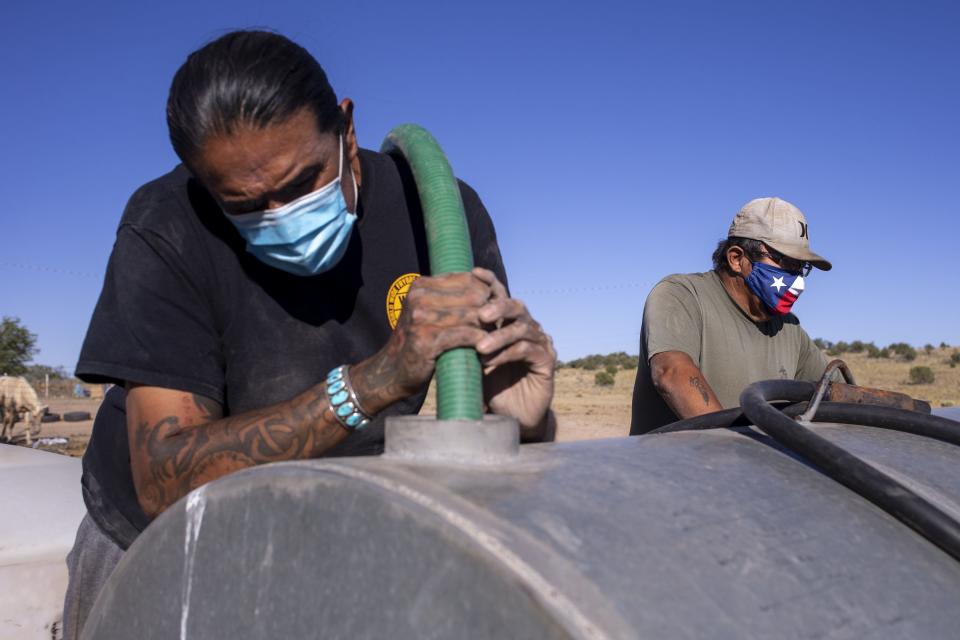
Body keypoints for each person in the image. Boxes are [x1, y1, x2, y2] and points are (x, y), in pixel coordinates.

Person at [63, 30, 556, 638]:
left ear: (347, 131)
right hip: (150, 539)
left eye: (302, 183)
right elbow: (163, 479)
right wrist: (375, 380)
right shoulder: (165, 224)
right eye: (243, 203)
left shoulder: (436, 209)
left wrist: (527, 419)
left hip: (336, 513)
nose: (282, 218)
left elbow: (487, 424)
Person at [630, 197, 832, 434]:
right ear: (737, 258)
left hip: (755, 467)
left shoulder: (789, 328)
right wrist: (731, 450)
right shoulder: (682, 295)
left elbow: (835, 390)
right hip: (670, 468)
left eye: (801, 267)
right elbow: (671, 373)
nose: (796, 278)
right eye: (785, 262)